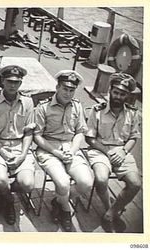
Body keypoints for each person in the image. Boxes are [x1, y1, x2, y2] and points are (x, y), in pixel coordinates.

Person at [34, 70, 93, 232]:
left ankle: (58, 201)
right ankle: (66, 209)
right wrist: (56, 152)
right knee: (63, 183)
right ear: (57, 87)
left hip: (70, 148)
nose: (68, 93)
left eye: (71, 90)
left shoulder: (77, 106)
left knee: (86, 183)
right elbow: (37, 136)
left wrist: (73, 151)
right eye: (65, 88)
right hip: (49, 149)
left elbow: (80, 131)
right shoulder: (43, 107)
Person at [85, 72, 141, 232]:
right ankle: (111, 209)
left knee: (136, 184)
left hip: (122, 152)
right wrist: (108, 152)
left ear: (127, 95)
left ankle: (110, 213)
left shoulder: (132, 113)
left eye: (122, 94)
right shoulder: (97, 110)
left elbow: (133, 137)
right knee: (102, 179)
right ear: (110, 90)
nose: (117, 96)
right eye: (115, 92)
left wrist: (123, 151)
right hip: (100, 150)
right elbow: (90, 139)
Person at [0, 65, 36, 225]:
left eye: (17, 82)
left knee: (27, 184)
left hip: (20, 147)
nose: (13, 85)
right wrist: (2, 152)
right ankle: (9, 203)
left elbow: (29, 132)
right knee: (0, 179)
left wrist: (22, 155)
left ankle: (3, 196)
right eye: (9, 81)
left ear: (20, 83)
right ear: (2, 81)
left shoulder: (28, 103)